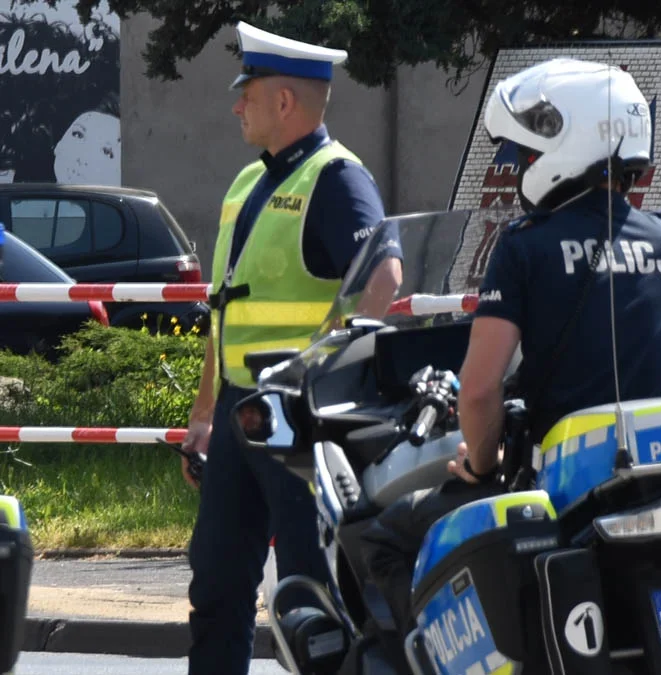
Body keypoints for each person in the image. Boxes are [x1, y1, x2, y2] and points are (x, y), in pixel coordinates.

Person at [355, 57, 661, 669]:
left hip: (567, 491)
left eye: (526, 152)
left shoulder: (526, 246)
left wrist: (481, 462)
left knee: (381, 538)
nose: (517, 167)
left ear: (570, 143)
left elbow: (482, 387)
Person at [180, 21, 401, 675]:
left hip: (300, 419)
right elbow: (224, 313)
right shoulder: (246, 185)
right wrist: (203, 412)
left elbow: (384, 280)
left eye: (245, 92)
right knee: (217, 588)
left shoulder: (338, 179)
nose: (234, 104)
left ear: (284, 102)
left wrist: (324, 381)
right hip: (239, 417)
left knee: (310, 598)